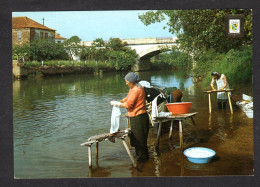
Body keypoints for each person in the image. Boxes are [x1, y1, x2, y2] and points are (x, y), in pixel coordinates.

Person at [110, 72, 149, 162]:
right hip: (135, 116)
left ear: (131, 81)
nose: (126, 83)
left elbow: (128, 105)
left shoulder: (136, 90)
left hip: (139, 117)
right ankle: (141, 157)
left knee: (140, 139)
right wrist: (119, 101)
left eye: (127, 81)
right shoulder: (134, 88)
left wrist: (119, 104)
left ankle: (142, 159)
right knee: (136, 137)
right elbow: (127, 98)